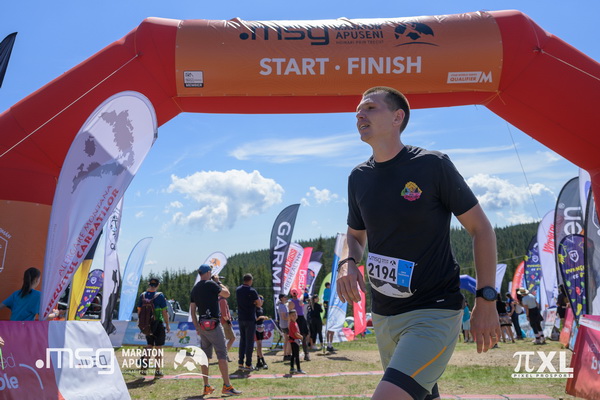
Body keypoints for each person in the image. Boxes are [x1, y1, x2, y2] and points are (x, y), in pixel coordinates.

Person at [336, 86, 500, 400]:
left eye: (369, 108)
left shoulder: (432, 165)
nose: (359, 114)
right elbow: (354, 236)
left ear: (397, 117)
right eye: (358, 110)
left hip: (433, 310)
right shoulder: (358, 177)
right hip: (384, 314)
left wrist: (486, 299)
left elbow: (481, 229)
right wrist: (348, 262)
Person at [190, 264, 241, 396]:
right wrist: (218, 281)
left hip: (202, 325)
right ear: (208, 272)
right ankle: (227, 386)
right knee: (222, 355)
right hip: (214, 324)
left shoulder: (195, 288)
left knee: (205, 357)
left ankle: (206, 386)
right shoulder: (211, 284)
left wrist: (196, 326)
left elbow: (192, 310)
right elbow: (227, 293)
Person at [136, 277, 170, 377]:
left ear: (149, 284)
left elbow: (139, 311)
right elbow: (164, 312)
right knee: (158, 348)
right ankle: (157, 371)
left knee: (149, 345)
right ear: (158, 285)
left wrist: (142, 322)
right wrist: (167, 324)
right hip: (157, 324)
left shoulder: (142, 295)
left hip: (147, 325)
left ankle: (144, 366)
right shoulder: (160, 296)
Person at [236, 273, 263, 371]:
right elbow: (259, 304)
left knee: (242, 341)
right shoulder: (252, 291)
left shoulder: (238, 290)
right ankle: (248, 364)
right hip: (250, 318)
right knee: (249, 342)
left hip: (241, 318)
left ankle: (240, 363)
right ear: (250, 280)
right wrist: (254, 302)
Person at [290, 290, 310, 361]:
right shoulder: (299, 300)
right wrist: (302, 292)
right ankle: (306, 354)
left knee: (296, 337)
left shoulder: (291, 302)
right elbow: (302, 297)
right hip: (300, 319)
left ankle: (297, 355)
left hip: (296, 319)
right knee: (303, 337)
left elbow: (289, 311)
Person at [218, 287, 235, 362]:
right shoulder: (223, 300)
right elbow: (224, 314)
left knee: (223, 340)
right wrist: (229, 321)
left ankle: (224, 355)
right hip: (224, 322)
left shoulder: (218, 300)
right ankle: (224, 355)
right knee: (232, 338)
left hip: (220, 322)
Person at [287, 309, 306, 375]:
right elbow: (296, 334)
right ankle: (298, 369)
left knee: (293, 355)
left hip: (293, 340)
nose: (294, 316)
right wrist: (301, 337)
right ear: (290, 316)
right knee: (297, 355)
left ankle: (292, 368)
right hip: (294, 341)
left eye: (295, 315)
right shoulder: (293, 324)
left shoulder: (294, 323)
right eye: (293, 315)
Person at [254, 295, 269, 370]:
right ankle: (263, 362)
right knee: (259, 345)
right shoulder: (254, 309)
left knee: (259, 345)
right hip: (256, 328)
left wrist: (264, 317)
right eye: (261, 301)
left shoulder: (261, 309)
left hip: (261, 327)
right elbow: (255, 319)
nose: (262, 303)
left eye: (262, 301)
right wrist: (261, 317)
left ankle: (258, 362)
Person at [277, 293, 292, 361]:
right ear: (281, 298)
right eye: (285, 297)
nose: (286, 298)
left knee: (286, 339)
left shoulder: (284, 305)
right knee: (287, 339)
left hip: (286, 324)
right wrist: (290, 318)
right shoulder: (281, 306)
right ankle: (287, 354)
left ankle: (287, 354)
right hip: (284, 325)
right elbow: (283, 317)